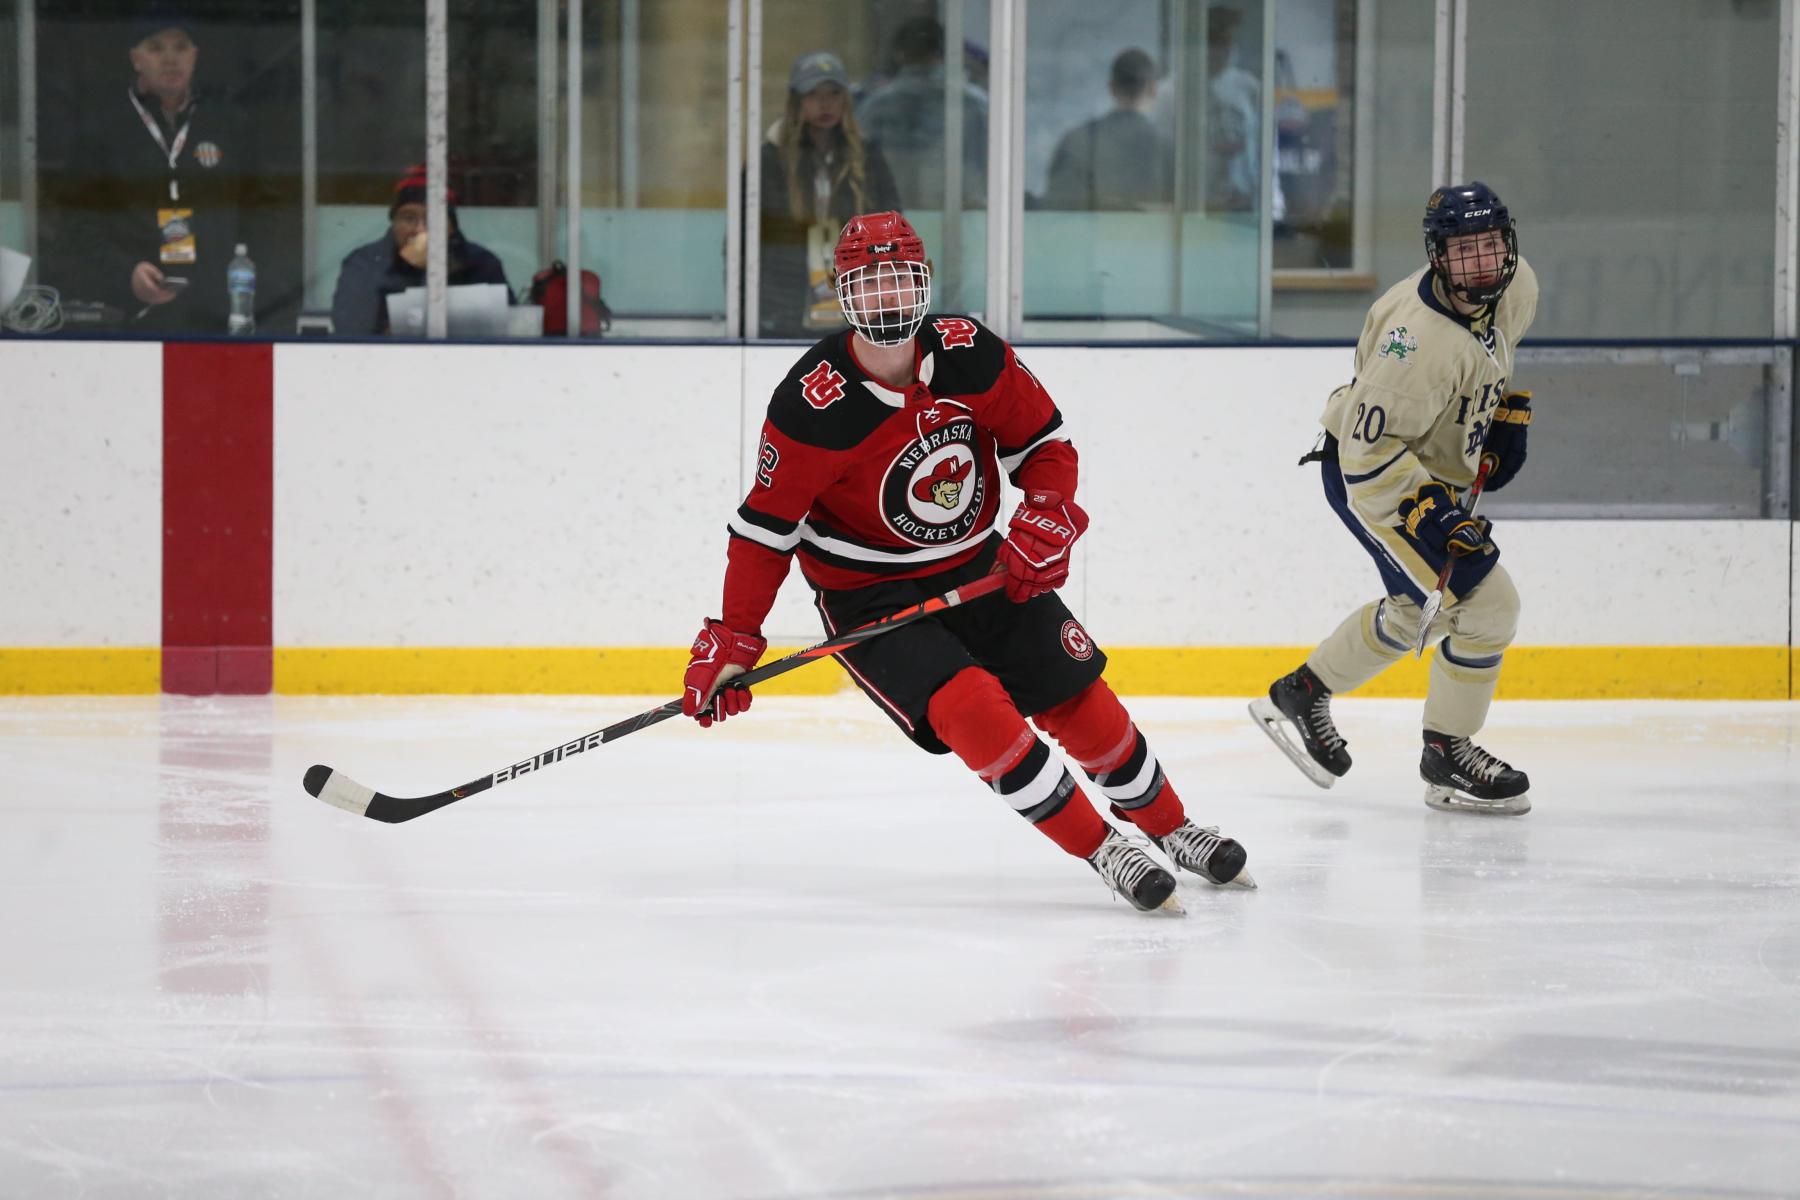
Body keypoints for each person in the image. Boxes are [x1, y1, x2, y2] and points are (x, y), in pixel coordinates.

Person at [681, 211, 1254, 912]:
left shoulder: (971, 352)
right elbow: (766, 530)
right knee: (974, 708)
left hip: (981, 563)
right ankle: (1104, 848)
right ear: (844, 292)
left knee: (1078, 698)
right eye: (871, 282)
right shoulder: (810, 405)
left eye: (899, 280)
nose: (888, 297)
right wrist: (736, 635)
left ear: (922, 284)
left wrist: (1046, 511)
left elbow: (1044, 442)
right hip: (870, 596)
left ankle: (1173, 827)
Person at [1249, 182, 1539, 815]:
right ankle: (1447, 750)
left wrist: (1501, 414)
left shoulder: (1518, 287)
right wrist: (1429, 514)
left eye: (1491, 245)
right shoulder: (1414, 343)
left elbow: (1493, 358)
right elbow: (1366, 456)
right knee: (1490, 605)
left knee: (1417, 613)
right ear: (1437, 256)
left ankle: (1303, 691)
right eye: (1464, 251)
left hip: (1426, 472)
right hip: (1373, 478)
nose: (1482, 263)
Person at [43, 9, 264, 334]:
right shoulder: (103, 126)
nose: (171, 59)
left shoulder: (227, 122)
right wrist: (125, 273)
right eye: (157, 48)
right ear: (136, 59)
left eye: (180, 47)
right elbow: (77, 221)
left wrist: (240, 282)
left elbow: (260, 210)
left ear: (195, 56)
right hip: (129, 313)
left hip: (215, 312)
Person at [760, 51, 901, 339]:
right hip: (786, 307)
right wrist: (762, 307)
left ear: (846, 99)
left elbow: (893, 228)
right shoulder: (771, 159)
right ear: (796, 100)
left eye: (834, 93)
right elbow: (749, 239)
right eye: (813, 93)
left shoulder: (867, 157)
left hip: (856, 303)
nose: (825, 104)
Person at [329, 164, 513, 336]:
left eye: (433, 219)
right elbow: (350, 329)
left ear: (451, 227)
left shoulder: (481, 263)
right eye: (409, 218)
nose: (420, 230)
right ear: (394, 223)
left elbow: (508, 325)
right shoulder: (364, 264)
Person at [857, 18, 989, 212]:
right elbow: (986, 170)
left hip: (888, 221)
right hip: (957, 220)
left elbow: (858, 168)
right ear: (944, 54)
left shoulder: (874, 107)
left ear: (899, 55)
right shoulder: (974, 105)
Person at [1042, 48, 1172, 212]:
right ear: (1153, 91)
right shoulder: (1169, 151)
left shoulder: (1076, 142)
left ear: (1111, 88)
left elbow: (1056, 211)